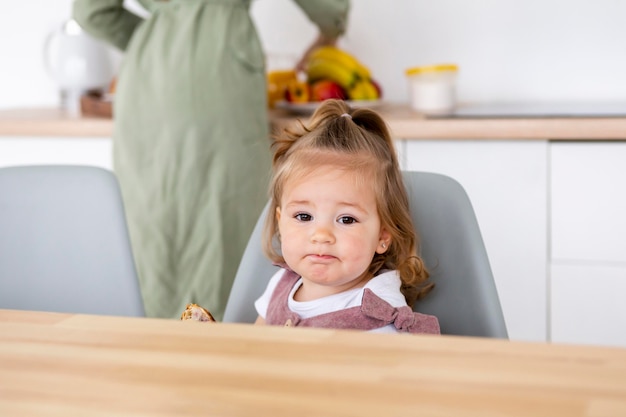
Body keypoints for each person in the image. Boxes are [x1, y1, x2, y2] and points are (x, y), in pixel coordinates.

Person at [72, 0, 351, 320]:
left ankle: (153, 345)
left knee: (150, 216)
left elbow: (90, 11)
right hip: (222, 66)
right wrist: (332, 26)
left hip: (150, 80)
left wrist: (158, 34)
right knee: (225, 213)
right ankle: (228, 349)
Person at [254, 99, 440, 334]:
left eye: (346, 219)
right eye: (303, 216)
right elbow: (254, 345)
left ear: (383, 235)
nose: (321, 236)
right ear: (280, 222)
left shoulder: (378, 317)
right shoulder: (281, 284)